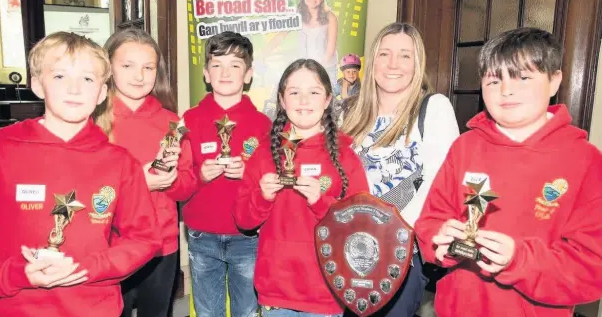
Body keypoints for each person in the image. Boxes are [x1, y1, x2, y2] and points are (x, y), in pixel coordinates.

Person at [415, 27, 602, 317]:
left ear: (555, 81)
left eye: (523, 77)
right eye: (493, 80)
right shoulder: (464, 147)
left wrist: (518, 260)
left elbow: (592, 268)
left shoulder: (586, 161)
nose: (506, 90)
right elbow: (431, 221)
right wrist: (440, 240)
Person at [0, 31, 160, 317]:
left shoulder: (120, 162)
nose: (74, 89)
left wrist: (86, 268)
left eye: (88, 79)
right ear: (37, 84)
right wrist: (16, 273)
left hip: (96, 308)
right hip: (21, 309)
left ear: (103, 92)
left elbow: (144, 239)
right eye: (59, 77)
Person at [341, 22, 460, 317]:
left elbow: (439, 181)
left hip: (400, 252)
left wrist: (385, 235)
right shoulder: (349, 111)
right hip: (347, 250)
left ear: (417, 63)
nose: (393, 64)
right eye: (384, 54)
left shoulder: (433, 108)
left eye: (405, 56)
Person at [234, 59, 369, 317]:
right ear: (282, 101)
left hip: (326, 292)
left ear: (328, 99)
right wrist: (261, 197)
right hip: (276, 292)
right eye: (294, 92)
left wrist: (321, 201)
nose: (304, 100)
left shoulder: (346, 157)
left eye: (314, 92)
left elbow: (360, 228)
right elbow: (243, 220)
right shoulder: (264, 154)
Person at [93, 28, 197, 317]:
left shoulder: (172, 122)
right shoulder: (90, 119)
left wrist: (170, 180)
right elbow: (80, 190)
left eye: (148, 67)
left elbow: (188, 186)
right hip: (107, 245)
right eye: (127, 65)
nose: (139, 76)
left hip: (161, 246)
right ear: (108, 66)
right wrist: (138, 181)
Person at [182, 31, 272, 317]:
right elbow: (176, 184)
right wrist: (200, 176)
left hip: (248, 236)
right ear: (206, 73)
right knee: (208, 313)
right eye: (217, 64)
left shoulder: (262, 124)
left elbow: (273, 183)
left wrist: (250, 174)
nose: (225, 72)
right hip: (202, 234)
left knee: (247, 311)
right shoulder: (189, 120)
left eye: (235, 65)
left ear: (248, 74)